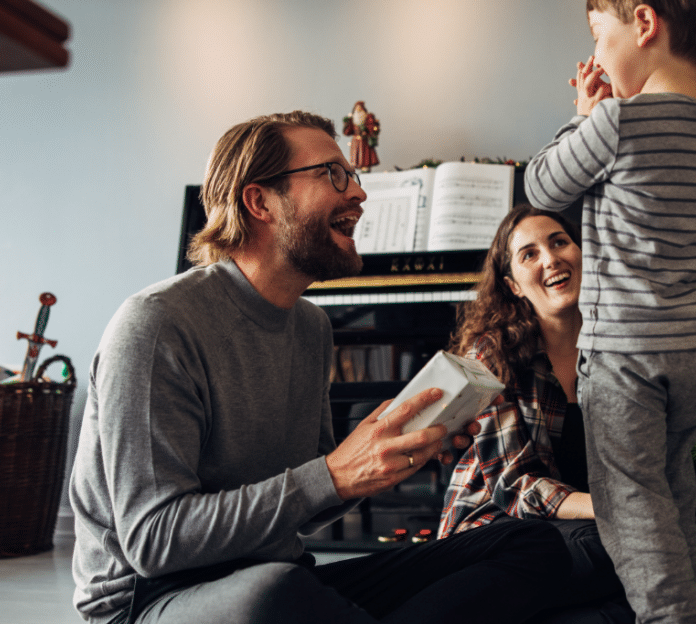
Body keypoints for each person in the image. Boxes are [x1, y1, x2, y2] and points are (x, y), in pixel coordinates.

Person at [68, 110, 572, 624]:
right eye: (334, 174)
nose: (358, 193)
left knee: (527, 543)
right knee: (274, 594)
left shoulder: (310, 325)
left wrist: (392, 455)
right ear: (259, 200)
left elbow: (314, 495)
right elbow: (155, 540)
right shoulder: (155, 326)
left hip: (284, 575)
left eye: (351, 175)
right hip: (154, 600)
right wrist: (334, 475)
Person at [522, 0, 696, 623]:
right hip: (693, 348)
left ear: (644, 26)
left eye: (599, 34)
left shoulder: (617, 120)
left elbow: (542, 185)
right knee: (672, 486)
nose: (597, 50)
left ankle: (668, 617)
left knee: (627, 499)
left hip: (626, 354)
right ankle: (681, 601)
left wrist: (583, 116)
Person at [439, 205, 634, 624]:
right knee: (619, 552)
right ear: (513, 285)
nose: (550, 259)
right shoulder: (491, 353)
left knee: (629, 589)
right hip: (495, 532)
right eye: (529, 254)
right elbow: (514, 486)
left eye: (559, 242)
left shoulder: (618, 348)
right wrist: (614, 508)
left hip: (575, 528)